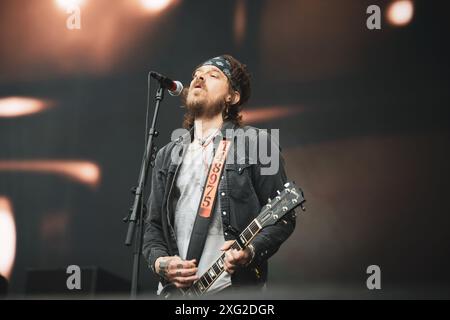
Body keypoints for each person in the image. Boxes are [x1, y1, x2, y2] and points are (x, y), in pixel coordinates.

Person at [142, 54, 296, 296]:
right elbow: (153, 227)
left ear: (232, 97)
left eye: (213, 75)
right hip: (175, 293)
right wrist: (162, 264)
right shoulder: (167, 154)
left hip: (232, 291)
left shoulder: (257, 143)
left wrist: (250, 251)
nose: (199, 77)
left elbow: (284, 216)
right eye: (196, 75)